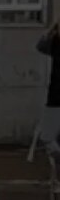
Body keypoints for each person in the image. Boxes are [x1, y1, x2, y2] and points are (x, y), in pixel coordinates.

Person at [39, 21, 60, 158]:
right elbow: (41, 46)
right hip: (55, 94)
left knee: (48, 136)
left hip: (55, 94)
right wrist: (51, 30)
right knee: (48, 136)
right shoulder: (56, 42)